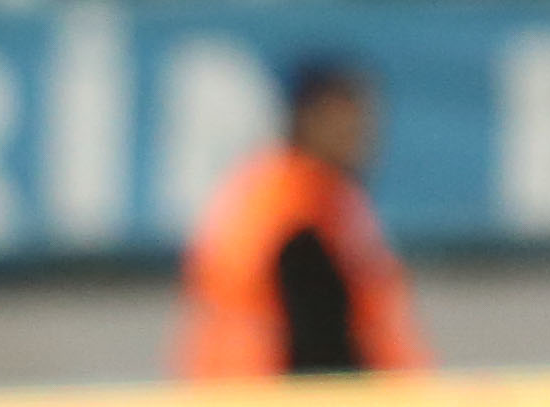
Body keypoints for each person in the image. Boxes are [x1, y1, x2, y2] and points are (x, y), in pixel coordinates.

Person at [182, 60, 425, 378]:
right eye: (343, 121)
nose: (358, 136)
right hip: (276, 395)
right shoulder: (303, 209)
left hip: (240, 391)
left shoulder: (274, 190)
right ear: (306, 120)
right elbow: (318, 335)